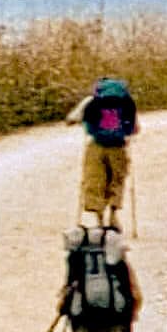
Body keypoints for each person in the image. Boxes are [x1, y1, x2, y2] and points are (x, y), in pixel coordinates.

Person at [62, 77, 139, 230]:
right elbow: (135, 128)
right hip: (118, 147)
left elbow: (71, 119)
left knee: (94, 180)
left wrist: (82, 123)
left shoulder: (91, 101)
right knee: (116, 180)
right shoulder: (126, 102)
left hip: (96, 146)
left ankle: (99, 219)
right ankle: (113, 214)